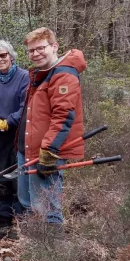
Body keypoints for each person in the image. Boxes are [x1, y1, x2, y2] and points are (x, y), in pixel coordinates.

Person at [18, 27, 86, 228]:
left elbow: (63, 117)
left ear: (54, 46)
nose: (35, 54)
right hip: (28, 150)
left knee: (47, 208)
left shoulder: (63, 75)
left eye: (40, 48)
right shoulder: (44, 74)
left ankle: (52, 253)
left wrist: (48, 150)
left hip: (45, 153)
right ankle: (36, 248)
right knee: (30, 203)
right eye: (31, 51)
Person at [0, 41, 30, 240]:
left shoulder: (24, 77)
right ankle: (3, 223)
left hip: (19, 137)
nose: (0, 60)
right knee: (1, 178)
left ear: (11, 56)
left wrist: (7, 122)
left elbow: (25, 107)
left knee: (19, 179)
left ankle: (19, 224)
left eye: (3, 55)